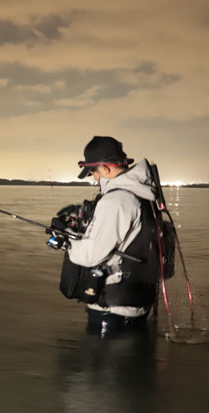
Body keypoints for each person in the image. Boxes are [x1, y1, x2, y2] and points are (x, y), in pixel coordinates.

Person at [49, 136, 161, 336]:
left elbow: (91, 255)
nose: (94, 178)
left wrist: (66, 240)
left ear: (105, 168)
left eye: (93, 172)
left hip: (113, 313)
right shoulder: (140, 194)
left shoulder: (116, 201)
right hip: (135, 304)